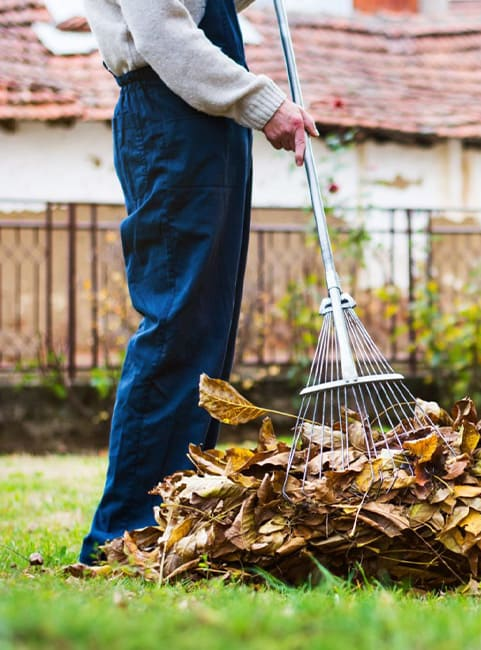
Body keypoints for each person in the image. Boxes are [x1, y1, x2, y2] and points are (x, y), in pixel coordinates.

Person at [79, 0, 318, 563]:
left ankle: (174, 519)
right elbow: (164, 33)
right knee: (177, 324)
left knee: (205, 329)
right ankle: (125, 531)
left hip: (201, 121)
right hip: (170, 113)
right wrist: (263, 104)